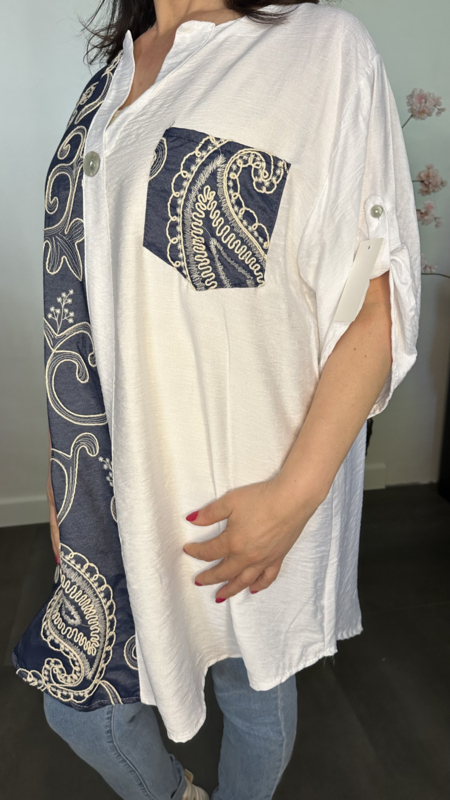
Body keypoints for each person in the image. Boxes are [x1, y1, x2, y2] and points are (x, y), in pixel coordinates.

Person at [13, 1, 421, 798]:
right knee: (82, 706)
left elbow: (376, 302)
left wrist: (292, 500)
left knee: (252, 686)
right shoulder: (111, 79)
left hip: (249, 491)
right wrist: (67, 483)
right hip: (116, 488)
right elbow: (83, 310)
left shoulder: (318, 46)